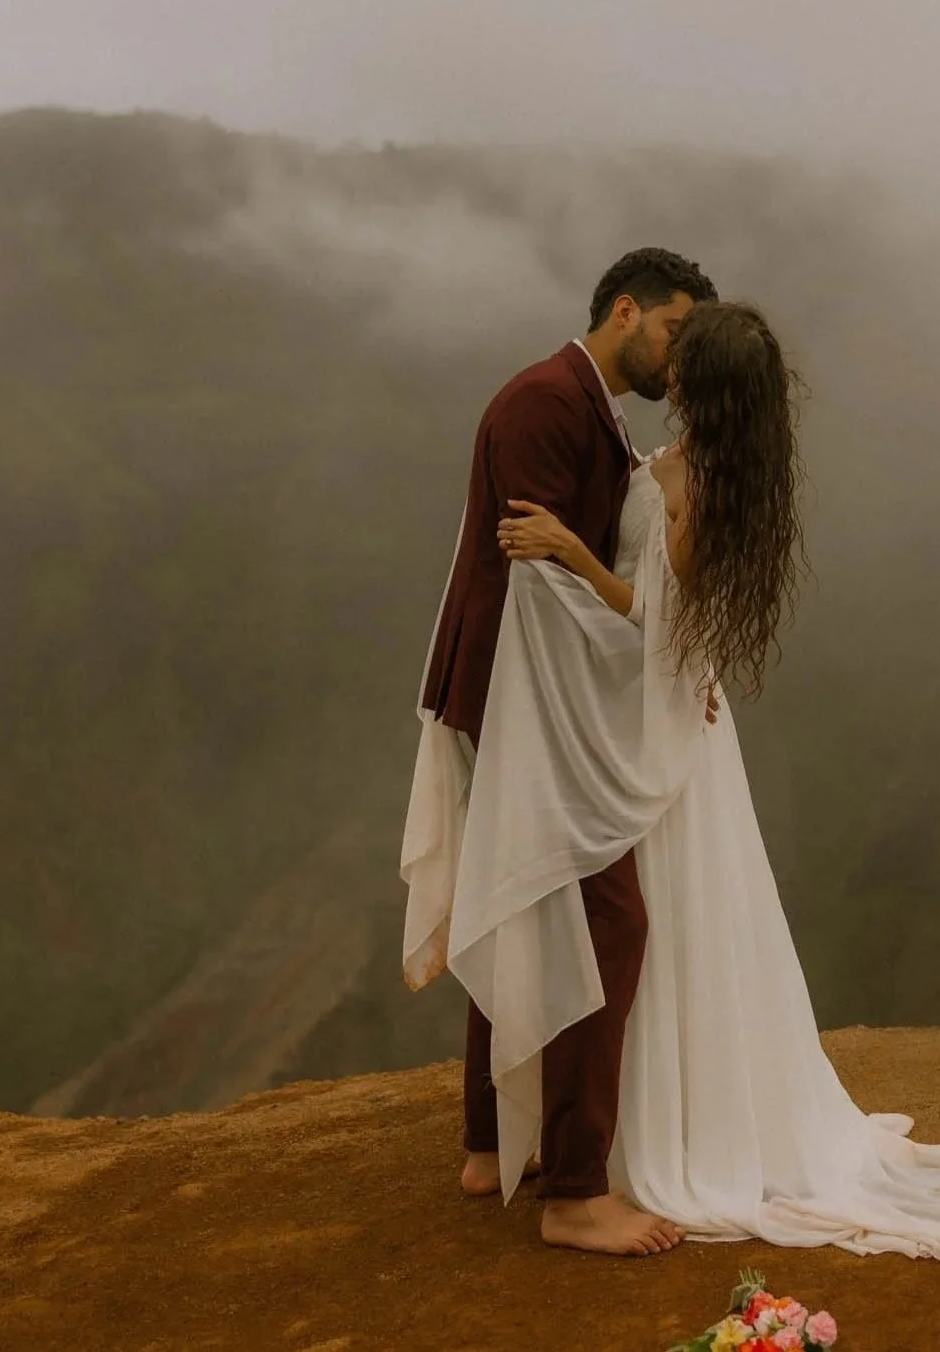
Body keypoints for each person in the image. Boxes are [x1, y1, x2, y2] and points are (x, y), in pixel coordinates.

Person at [477, 298, 940, 1258]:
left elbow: (661, 627)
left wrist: (567, 550)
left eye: (685, 364)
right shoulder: (694, 462)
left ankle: (660, 1136)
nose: (668, 371)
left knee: (660, 920)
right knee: (642, 920)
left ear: (707, 386)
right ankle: (609, 1131)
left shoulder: (712, 481)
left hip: (663, 732)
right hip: (651, 721)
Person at [401, 247, 718, 1257]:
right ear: (625, 311)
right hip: (520, 695)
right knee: (608, 917)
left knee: (524, 887)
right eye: (673, 329)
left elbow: (577, 574)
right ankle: (576, 1191)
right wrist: (633, 695)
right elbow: (535, 585)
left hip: (529, 692)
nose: (679, 354)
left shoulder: (588, 408)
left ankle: (492, 1147)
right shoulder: (543, 403)